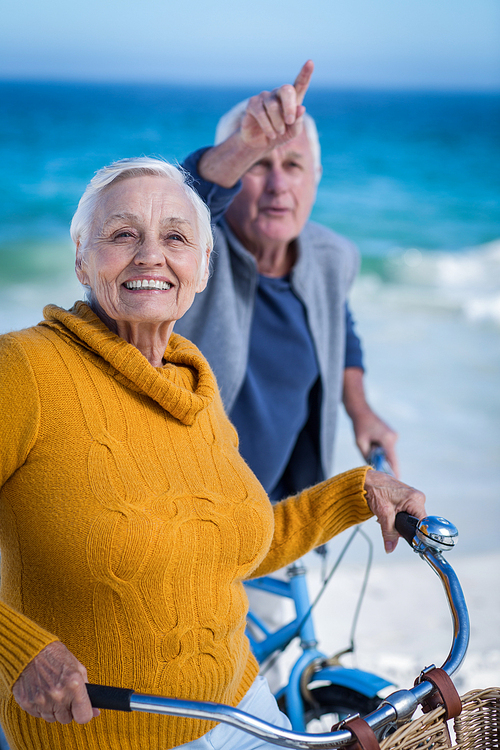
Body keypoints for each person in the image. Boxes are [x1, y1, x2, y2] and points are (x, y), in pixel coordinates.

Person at [0, 155, 426, 750]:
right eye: (123, 234)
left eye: (176, 238)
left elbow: (241, 542)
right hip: (98, 732)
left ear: (201, 268)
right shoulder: (23, 370)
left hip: (244, 711)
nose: (151, 254)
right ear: (80, 258)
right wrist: (17, 651)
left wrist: (358, 492)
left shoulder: (193, 384)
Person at [177, 61, 399, 506]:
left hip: (278, 515)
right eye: (259, 165)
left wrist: (361, 410)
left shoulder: (331, 257)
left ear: (316, 179)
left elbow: (337, 322)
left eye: (294, 165)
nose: (279, 186)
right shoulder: (189, 250)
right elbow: (186, 200)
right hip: (185, 509)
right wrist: (243, 143)